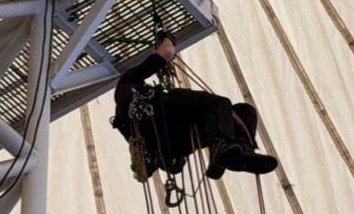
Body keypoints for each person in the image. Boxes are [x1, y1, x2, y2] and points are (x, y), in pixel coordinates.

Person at [112, 35, 277, 182]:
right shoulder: (128, 81)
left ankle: (234, 153)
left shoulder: (125, 119)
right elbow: (167, 52)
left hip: (171, 146)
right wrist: (168, 38)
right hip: (168, 116)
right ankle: (225, 148)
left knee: (238, 112)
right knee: (223, 105)